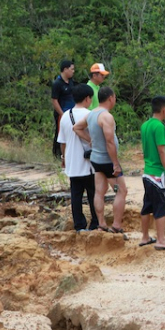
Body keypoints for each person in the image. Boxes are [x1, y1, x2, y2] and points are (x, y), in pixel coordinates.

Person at [73, 87, 127, 233]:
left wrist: (90, 140)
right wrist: (115, 163)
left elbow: (77, 127)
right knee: (121, 191)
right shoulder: (106, 117)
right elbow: (110, 142)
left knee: (99, 192)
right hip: (107, 160)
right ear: (111, 98)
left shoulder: (91, 114)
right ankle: (116, 225)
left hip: (96, 159)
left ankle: (101, 224)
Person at [57, 84, 99, 232]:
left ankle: (79, 225)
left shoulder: (64, 117)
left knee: (76, 196)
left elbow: (62, 141)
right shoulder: (90, 115)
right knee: (93, 193)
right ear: (87, 98)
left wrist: (64, 158)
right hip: (89, 163)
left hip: (72, 162)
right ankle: (95, 223)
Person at [139, 96, 165, 250]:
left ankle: (145, 236)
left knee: (147, 206)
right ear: (164, 109)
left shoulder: (145, 125)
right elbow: (162, 151)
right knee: (161, 206)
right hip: (158, 174)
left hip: (147, 172)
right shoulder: (159, 127)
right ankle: (161, 240)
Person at [51, 60, 76, 158]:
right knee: (60, 133)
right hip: (61, 112)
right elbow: (54, 100)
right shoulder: (57, 83)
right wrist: (61, 113)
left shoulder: (71, 82)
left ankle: (68, 153)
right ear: (65, 69)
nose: (73, 71)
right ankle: (57, 154)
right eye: (71, 69)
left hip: (71, 112)